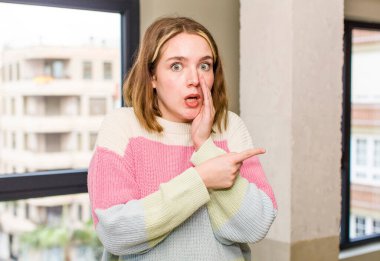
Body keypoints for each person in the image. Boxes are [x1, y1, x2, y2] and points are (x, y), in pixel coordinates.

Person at [88, 16, 277, 261]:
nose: (195, 80)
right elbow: (115, 232)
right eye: (177, 66)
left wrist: (205, 147)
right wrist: (202, 179)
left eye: (204, 66)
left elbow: (256, 225)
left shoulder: (229, 127)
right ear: (152, 76)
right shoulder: (122, 127)